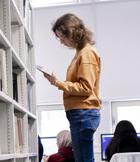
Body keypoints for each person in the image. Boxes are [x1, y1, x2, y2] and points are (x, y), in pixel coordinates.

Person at [43, 13, 102, 162]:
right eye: (59, 38)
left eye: (63, 37)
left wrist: (58, 83)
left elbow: (85, 88)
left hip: (84, 113)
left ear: (74, 33)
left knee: (85, 160)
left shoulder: (86, 53)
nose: (62, 42)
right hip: (80, 114)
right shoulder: (80, 53)